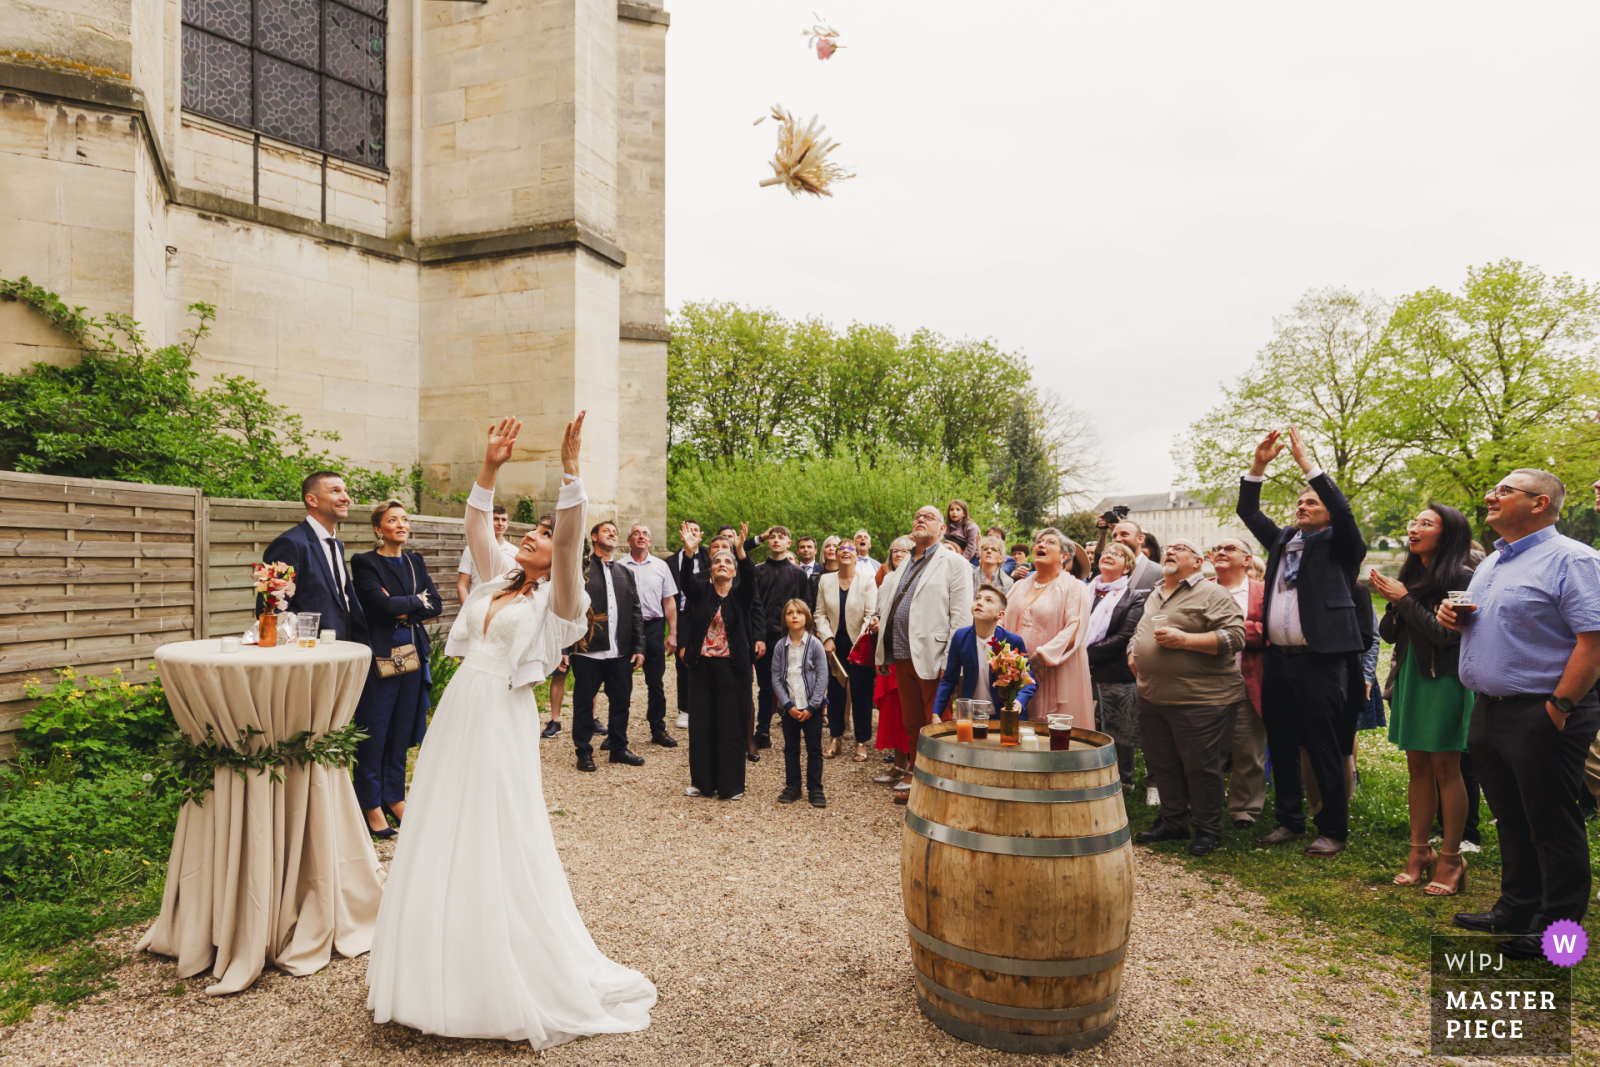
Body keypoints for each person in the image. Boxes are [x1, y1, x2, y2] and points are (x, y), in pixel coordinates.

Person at [366, 412, 657, 1047]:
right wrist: (490, 466)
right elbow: (477, 524)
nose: (529, 536)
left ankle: (500, 968)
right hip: (460, 712)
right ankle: (434, 962)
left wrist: (571, 476)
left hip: (503, 716)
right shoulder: (499, 578)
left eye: (542, 534)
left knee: (496, 825)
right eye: (528, 531)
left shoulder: (561, 601)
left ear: (558, 554)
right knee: (443, 818)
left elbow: (571, 539)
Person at [1439, 469, 1600, 959]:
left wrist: (1559, 707)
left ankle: (1560, 935)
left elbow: (1593, 642)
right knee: (1510, 817)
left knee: (1552, 822)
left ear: (1539, 503)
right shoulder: (1493, 561)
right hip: (1489, 709)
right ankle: (1516, 907)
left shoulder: (1573, 559)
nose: (1491, 494)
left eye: (1505, 490)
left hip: (1545, 710)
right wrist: (1453, 620)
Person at [1236, 426, 1369, 858]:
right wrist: (1259, 466)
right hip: (1280, 659)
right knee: (1281, 739)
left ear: (1329, 511)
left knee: (1324, 744)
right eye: (1299, 501)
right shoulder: (1282, 541)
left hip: (1322, 660)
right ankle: (1289, 820)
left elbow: (1344, 514)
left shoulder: (1341, 545)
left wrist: (1308, 467)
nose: (1302, 505)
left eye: (1311, 501)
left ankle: (1332, 828)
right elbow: (1248, 510)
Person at [1370, 504, 1476, 896]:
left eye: (1425, 523)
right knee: (1417, 765)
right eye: (1413, 522)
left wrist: (1404, 600)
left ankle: (1452, 858)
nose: (1415, 528)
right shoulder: (1412, 573)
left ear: (1447, 534)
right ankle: (1419, 853)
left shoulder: (1465, 576)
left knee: (1447, 768)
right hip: (1412, 675)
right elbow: (1390, 634)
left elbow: (1448, 636)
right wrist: (1395, 600)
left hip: (1446, 679)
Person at [1128, 538, 1247, 856]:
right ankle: (1173, 822)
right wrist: (1132, 650)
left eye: (1180, 548)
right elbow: (1141, 629)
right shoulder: (1156, 592)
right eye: (1168, 547)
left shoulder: (1212, 592)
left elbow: (1235, 636)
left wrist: (1186, 640)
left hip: (1202, 698)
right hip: (1154, 695)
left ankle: (1208, 830)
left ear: (1198, 562)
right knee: (1162, 764)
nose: (1170, 550)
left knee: (1201, 767)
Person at [350, 500, 444, 838]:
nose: (401, 524)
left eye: (405, 519)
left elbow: (436, 603)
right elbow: (380, 605)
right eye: (393, 520)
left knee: (402, 730)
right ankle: (369, 803)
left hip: (414, 656)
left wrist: (406, 607)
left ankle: (394, 796)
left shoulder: (415, 562)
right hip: (381, 658)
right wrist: (414, 602)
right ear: (379, 529)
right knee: (375, 731)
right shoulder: (364, 563)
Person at [876, 507, 972, 805]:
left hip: (935, 656)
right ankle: (920, 782)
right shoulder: (904, 563)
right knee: (913, 725)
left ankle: (944, 789)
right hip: (903, 655)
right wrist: (882, 650)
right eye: (916, 516)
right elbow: (887, 608)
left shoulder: (954, 563)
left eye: (928, 517)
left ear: (942, 529)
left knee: (939, 726)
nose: (920, 518)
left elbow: (960, 618)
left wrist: (951, 663)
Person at [676, 522, 758, 800]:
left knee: (731, 727)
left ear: (734, 570)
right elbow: (685, 582)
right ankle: (701, 782)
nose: (722, 564)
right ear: (710, 569)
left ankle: (731, 786)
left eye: (727, 561)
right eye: (717, 561)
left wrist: (741, 552)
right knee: (702, 727)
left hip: (733, 670)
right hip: (702, 670)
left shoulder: (740, 595)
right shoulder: (701, 592)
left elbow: (751, 579)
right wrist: (689, 553)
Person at [570, 520, 646, 771]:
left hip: (620, 652)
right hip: (588, 650)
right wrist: (564, 649)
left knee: (621, 701)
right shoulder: (580, 570)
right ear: (594, 537)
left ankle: (618, 748)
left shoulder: (625, 572)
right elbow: (567, 610)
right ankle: (583, 751)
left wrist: (638, 647)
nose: (612, 533)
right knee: (583, 703)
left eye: (615, 531)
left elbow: (636, 612)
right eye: (606, 531)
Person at [1002, 528, 1095, 729]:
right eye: (1039, 542)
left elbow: (1075, 628)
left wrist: (1041, 657)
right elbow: (999, 620)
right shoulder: (1018, 586)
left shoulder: (1075, 587)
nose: (1041, 545)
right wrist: (1003, 656)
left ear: (1064, 557)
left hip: (1057, 671)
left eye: (1051, 542)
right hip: (1015, 671)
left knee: (1054, 736)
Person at [263, 471, 368, 642]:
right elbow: (272, 610)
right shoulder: (290, 544)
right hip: (312, 652)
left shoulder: (337, 545)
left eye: (346, 491)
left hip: (346, 645)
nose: (346, 498)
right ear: (312, 500)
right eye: (335, 491)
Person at [1209, 536, 1267, 830]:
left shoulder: (1263, 592)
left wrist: (1232, 629)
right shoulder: (1200, 588)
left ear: (1247, 559)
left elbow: (1273, 631)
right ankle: (1204, 805)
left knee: (1248, 752)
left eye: (1229, 548)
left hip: (1247, 681)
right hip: (1202, 685)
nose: (1220, 551)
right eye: (1217, 548)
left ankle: (1245, 809)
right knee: (1204, 752)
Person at [1086, 542, 1147, 795]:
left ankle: (1124, 780)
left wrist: (1082, 652)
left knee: (1120, 728)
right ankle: (1092, 773)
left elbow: (1125, 635)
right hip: (1083, 671)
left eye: (1118, 554)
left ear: (1127, 567)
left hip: (1114, 671)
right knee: (1090, 724)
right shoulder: (1084, 591)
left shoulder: (1133, 597)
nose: (1109, 555)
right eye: (1107, 552)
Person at [616, 524, 680, 748]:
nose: (641, 536)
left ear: (650, 542)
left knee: (656, 682)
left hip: (653, 626)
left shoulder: (661, 567)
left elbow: (669, 601)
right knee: (621, 682)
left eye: (645, 534)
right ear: (628, 540)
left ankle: (658, 729)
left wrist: (672, 633)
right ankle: (617, 733)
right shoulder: (618, 567)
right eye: (636, 533)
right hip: (626, 629)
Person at [749, 526, 812, 752]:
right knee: (766, 686)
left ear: (789, 543)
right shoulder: (757, 571)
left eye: (781, 537)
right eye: (772, 537)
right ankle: (762, 731)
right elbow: (752, 607)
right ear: (768, 542)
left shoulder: (797, 574)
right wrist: (757, 636)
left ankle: (795, 730)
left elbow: (805, 607)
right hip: (763, 638)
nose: (776, 540)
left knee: (793, 683)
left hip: (789, 637)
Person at [932, 584, 1037, 719]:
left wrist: (1019, 701)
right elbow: (949, 679)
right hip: (972, 716)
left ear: (1000, 614)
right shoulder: (960, 637)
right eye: (977, 598)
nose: (980, 602)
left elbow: (1029, 680)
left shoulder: (1012, 641)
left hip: (1006, 715)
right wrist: (936, 713)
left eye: (989, 600)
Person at [815, 539, 879, 761]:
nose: (845, 552)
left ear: (856, 555)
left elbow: (871, 614)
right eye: (840, 549)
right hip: (834, 645)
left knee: (861, 693)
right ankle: (835, 737)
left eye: (850, 549)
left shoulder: (867, 580)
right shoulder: (825, 580)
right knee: (835, 692)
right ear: (834, 555)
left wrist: (859, 642)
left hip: (860, 644)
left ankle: (861, 742)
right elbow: (820, 614)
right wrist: (827, 637)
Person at [771, 599, 830, 807]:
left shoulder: (815, 645)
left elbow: (822, 677)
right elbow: (776, 678)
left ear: (807, 617)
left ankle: (815, 788)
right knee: (791, 748)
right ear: (784, 619)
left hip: (811, 708)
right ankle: (793, 786)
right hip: (790, 709)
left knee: (814, 748)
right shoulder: (780, 646)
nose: (794, 616)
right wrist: (788, 705)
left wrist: (813, 706)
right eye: (790, 613)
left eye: (799, 612)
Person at [872, 537, 914, 784]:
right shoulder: (886, 579)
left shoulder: (918, 578)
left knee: (910, 710)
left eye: (904, 550)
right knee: (893, 711)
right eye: (895, 550)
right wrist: (876, 622)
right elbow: (880, 612)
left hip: (910, 652)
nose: (899, 554)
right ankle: (899, 763)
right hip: (889, 650)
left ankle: (913, 767)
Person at [669, 521, 710, 732]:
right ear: (681, 535)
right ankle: (684, 709)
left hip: (706, 614)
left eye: (696, 531)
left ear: (701, 535)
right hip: (682, 614)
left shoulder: (710, 556)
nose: (692, 534)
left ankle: (706, 707)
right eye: (688, 531)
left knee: (708, 660)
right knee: (683, 661)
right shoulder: (670, 561)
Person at [456, 503, 519, 604]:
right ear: (487, 522)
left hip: (504, 608)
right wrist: (466, 612)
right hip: (477, 605)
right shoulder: (471, 549)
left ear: (507, 523)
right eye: (496, 519)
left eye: (503, 520)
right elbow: (462, 585)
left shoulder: (515, 552)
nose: (500, 523)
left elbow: (520, 585)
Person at [1093, 516, 1163, 593]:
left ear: (1140, 539)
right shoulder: (1107, 568)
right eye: (1115, 536)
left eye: (1124, 534)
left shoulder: (1158, 572)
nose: (1118, 539)